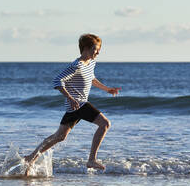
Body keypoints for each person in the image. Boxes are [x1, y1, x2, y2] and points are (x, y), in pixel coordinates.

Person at [24, 34, 121, 173]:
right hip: (79, 104)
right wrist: (69, 97)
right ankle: (91, 160)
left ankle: (31, 157)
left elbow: (92, 79)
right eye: (95, 49)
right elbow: (57, 81)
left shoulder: (91, 63)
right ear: (86, 48)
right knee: (105, 124)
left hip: (74, 107)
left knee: (60, 137)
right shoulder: (76, 65)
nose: (98, 52)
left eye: (99, 49)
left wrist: (107, 89)